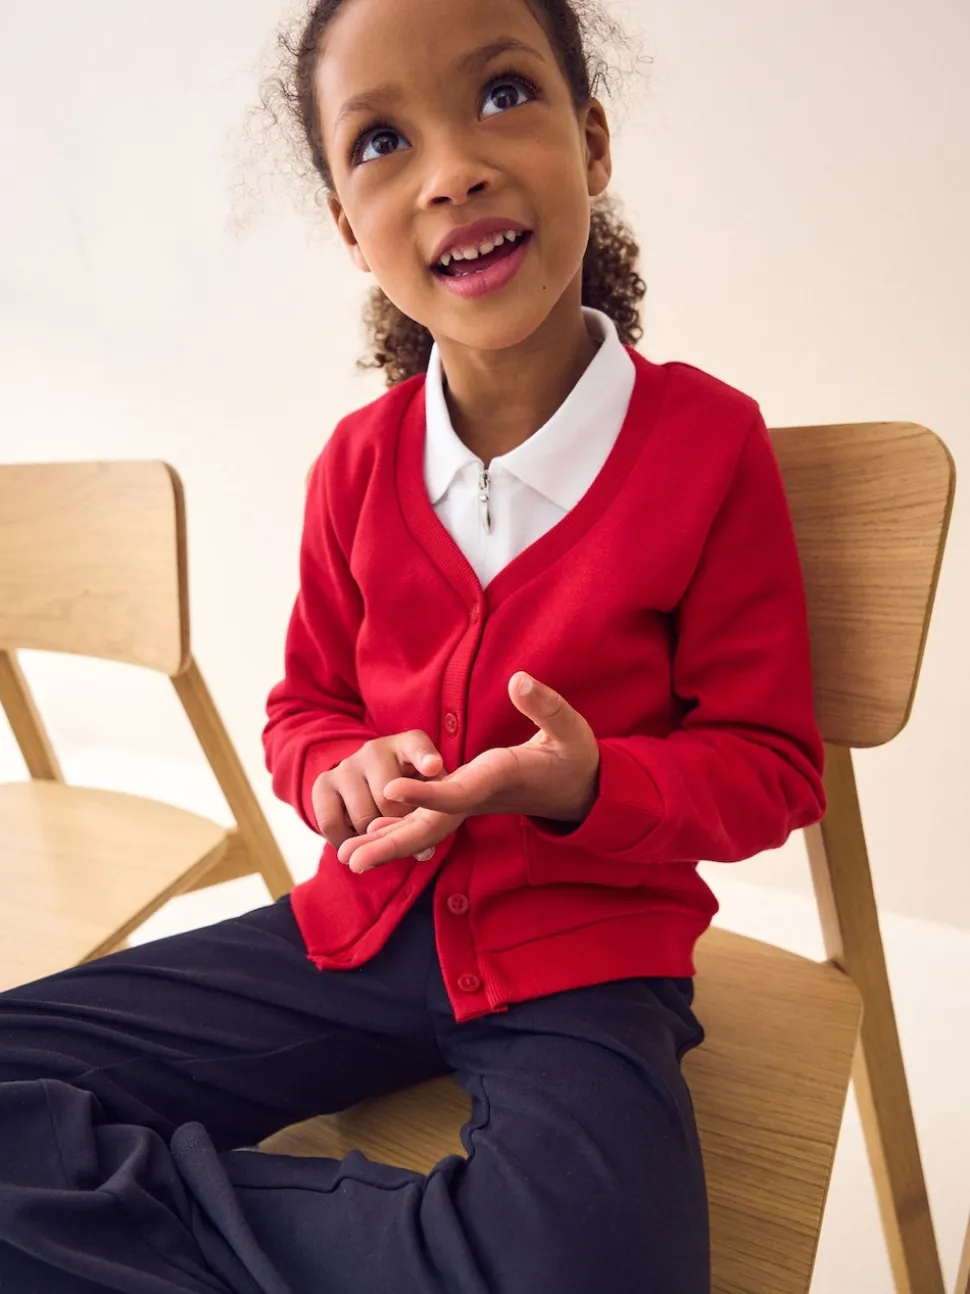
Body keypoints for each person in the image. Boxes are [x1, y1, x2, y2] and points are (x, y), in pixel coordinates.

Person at [0, 0, 826, 1290]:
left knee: (609, 1263)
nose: (452, 171)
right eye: (382, 140)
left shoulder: (709, 448)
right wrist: (339, 771)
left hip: (584, 956)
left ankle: (132, 1216)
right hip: (361, 929)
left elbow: (770, 767)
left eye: (504, 94)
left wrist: (587, 783)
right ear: (347, 221)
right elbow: (303, 711)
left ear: (592, 142)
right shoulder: (356, 464)